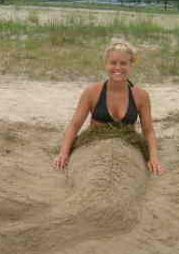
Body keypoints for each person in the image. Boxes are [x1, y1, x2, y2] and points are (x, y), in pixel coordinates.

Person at [54, 38, 164, 175]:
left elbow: (148, 131)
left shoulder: (141, 96)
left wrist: (153, 158)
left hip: (128, 141)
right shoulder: (91, 92)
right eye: (113, 63)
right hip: (94, 139)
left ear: (131, 65)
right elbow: (74, 125)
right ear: (106, 64)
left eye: (123, 63)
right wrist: (63, 153)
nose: (118, 68)